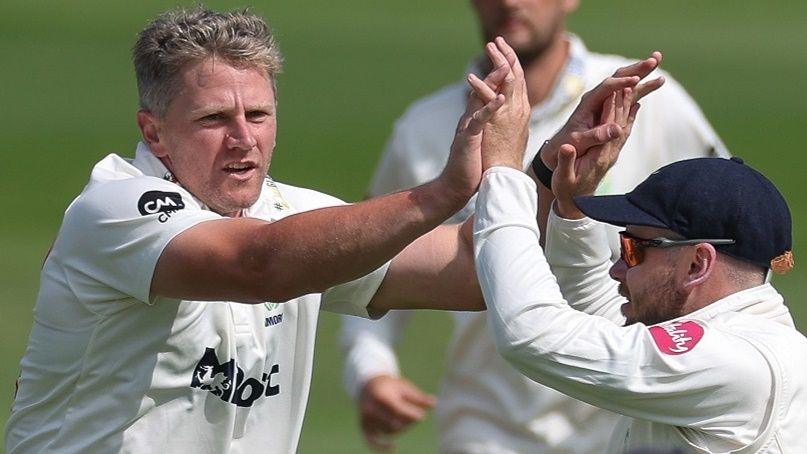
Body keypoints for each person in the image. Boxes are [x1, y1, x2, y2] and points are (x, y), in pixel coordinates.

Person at [4, 8, 528, 453]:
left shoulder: (288, 212)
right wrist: (439, 194)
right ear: (154, 132)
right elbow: (260, 266)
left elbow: (468, 271)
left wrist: (556, 177)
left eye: (258, 114)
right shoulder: (114, 207)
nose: (242, 139)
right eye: (214, 118)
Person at [339, 1, 727, 452]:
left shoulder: (641, 103)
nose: (508, 2)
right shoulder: (424, 128)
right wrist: (370, 369)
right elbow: (368, 258)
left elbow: (728, 233)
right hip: (486, 425)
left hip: (622, 420)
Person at [470, 58, 805, 452]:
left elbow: (532, 335)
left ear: (697, 264)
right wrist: (569, 202)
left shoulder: (738, 364)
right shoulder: (733, 342)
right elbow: (596, 307)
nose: (616, 268)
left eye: (632, 250)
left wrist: (503, 171)